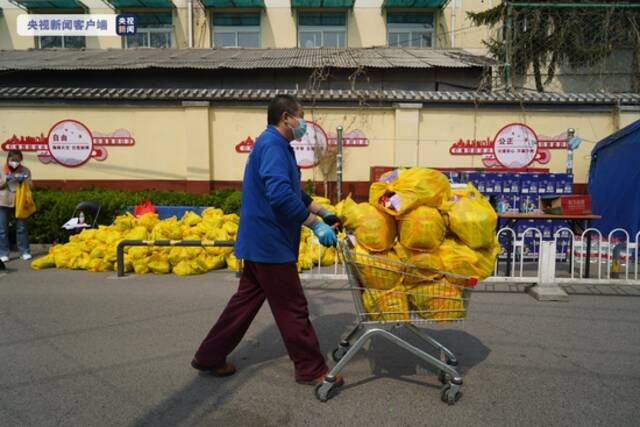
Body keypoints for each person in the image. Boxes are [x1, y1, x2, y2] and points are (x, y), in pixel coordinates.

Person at [192, 94, 343, 387]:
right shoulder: (273, 145)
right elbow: (279, 195)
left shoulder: (277, 145)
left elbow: (293, 192)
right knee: (292, 308)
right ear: (286, 117)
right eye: (300, 115)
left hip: (260, 241)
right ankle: (311, 369)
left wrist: (322, 211)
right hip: (270, 244)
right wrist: (313, 225)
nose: (303, 123)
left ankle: (209, 356)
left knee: (244, 303)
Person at [0, 150, 33, 262]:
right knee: (2, 229)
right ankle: (4, 253)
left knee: (22, 228)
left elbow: (31, 185)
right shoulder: (1, 169)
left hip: (20, 202)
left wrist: (23, 180)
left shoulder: (25, 170)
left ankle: (24, 252)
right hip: (3, 201)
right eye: (13, 160)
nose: (15, 162)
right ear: (8, 159)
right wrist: (6, 179)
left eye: (18, 160)